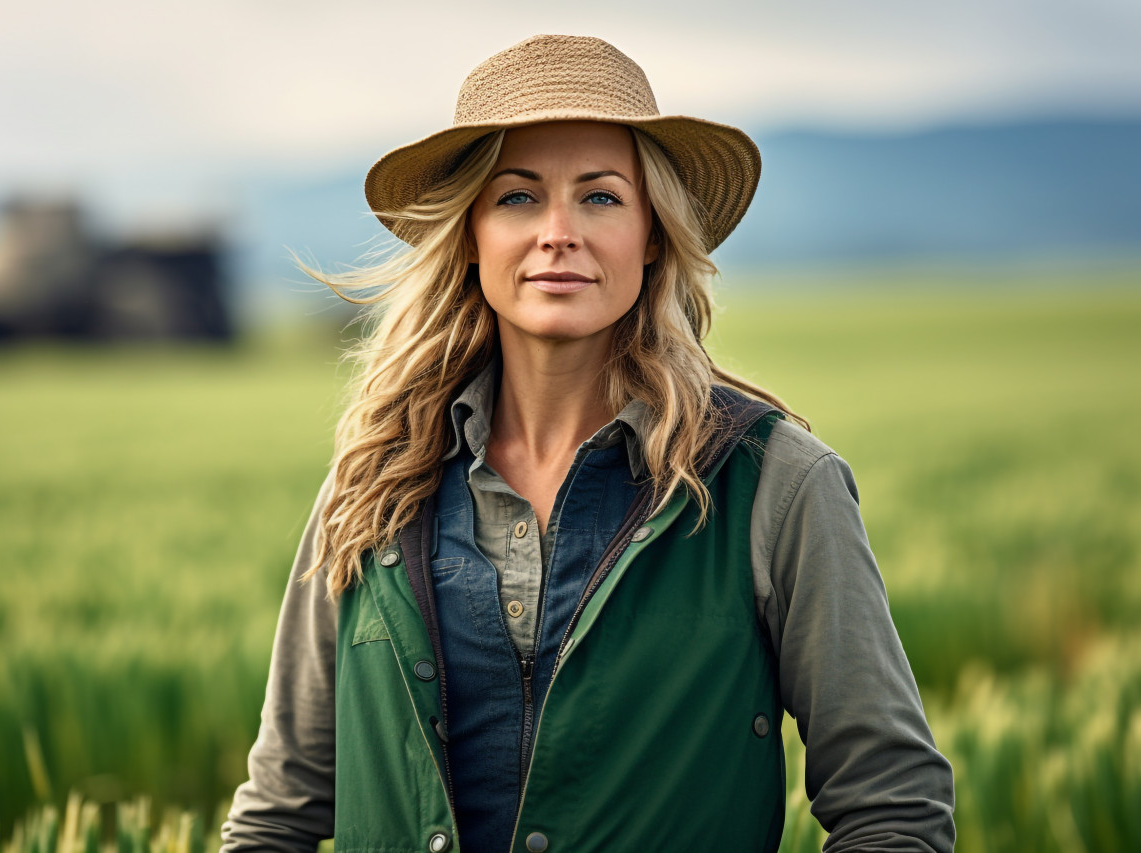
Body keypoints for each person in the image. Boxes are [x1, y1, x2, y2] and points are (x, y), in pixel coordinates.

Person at [221, 34, 955, 853]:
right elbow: (277, 813)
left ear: (652, 233)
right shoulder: (372, 487)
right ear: (470, 233)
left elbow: (894, 808)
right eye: (518, 198)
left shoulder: (779, 484)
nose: (558, 232)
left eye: (601, 197)